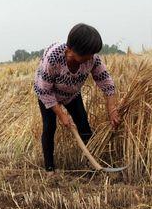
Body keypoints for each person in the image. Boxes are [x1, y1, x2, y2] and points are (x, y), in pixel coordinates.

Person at [34, 23, 120, 172]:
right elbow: (45, 90)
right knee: (50, 127)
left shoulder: (92, 58)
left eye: (92, 54)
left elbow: (106, 82)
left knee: (83, 124)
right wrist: (62, 115)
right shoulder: (53, 57)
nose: (90, 58)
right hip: (48, 94)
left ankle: (93, 162)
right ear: (70, 51)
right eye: (86, 55)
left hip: (72, 94)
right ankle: (49, 168)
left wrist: (112, 109)